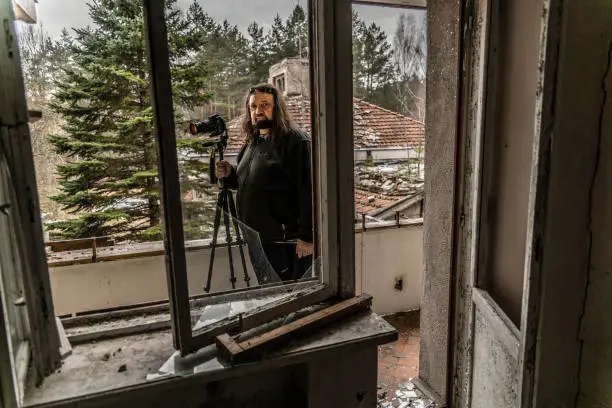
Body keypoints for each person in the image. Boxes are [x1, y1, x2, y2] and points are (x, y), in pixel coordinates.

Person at [216, 83, 314, 282]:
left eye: (264, 105)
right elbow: (253, 182)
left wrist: (307, 237)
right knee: (270, 292)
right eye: (253, 107)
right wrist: (231, 174)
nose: (258, 111)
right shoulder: (252, 141)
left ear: (277, 108)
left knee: (289, 295)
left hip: (285, 241)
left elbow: (309, 190)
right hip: (257, 239)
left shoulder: (295, 141)